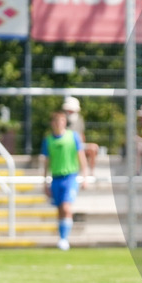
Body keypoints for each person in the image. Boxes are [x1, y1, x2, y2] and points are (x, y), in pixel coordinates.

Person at [41, 109, 88, 251]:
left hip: (70, 177)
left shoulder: (73, 137)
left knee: (66, 207)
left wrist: (84, 176)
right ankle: (62, 237)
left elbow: (81, 157)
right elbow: (46, 162)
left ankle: (64, 239)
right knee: (60, 208)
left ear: (65, 122)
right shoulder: (48, 140)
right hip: (56, 178)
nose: (59, 123)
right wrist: (45, 182)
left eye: (62, 121)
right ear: (52, 123)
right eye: (56, 121)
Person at [62, 96, 99, 176]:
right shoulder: (63, 120)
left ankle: (91, 173)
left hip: (78, 145)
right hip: (67, 145)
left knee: (93, 148)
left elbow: (82, 134)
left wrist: (81, 145)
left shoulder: (79, 119)